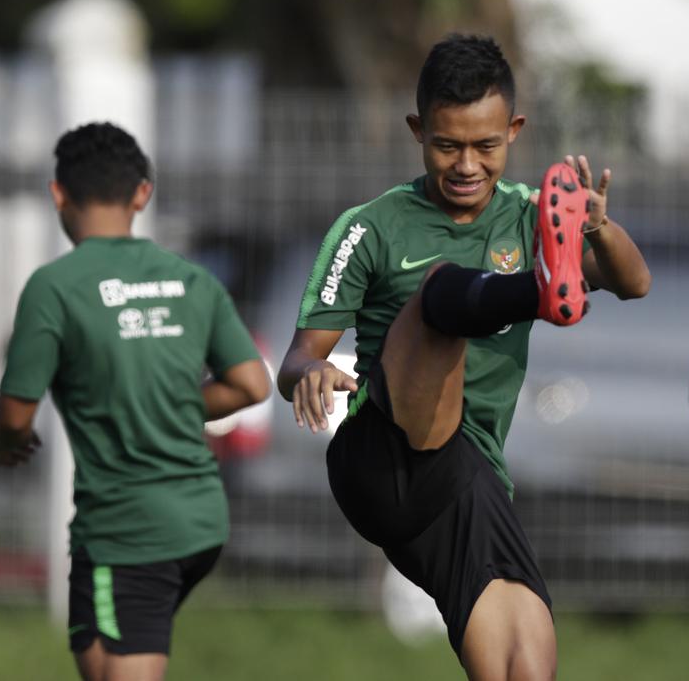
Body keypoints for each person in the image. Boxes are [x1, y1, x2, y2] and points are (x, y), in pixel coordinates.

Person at [277, 34, 651, 680]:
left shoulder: (532, 215)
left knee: (523, 659)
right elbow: (294, 362)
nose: (467, 165)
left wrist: (594, 227)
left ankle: (545, 287)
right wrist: (310, 372)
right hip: (382, 452)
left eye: (486, 146)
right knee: (438, 292)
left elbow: (633, 282)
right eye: (447, 145)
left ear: (514, 130)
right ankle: (538, 291)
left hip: (469, 472)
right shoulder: (370, 226)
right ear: (417, 131)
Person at [0, 122, 271, 681]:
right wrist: (173, 408)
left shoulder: (55, 287)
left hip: (131, 530)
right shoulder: (191, 280)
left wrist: (7, 441)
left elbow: (16, 412)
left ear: (58, 194)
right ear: (142, 193)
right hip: (201, 517)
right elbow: (251, 385)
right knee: (96, 650)